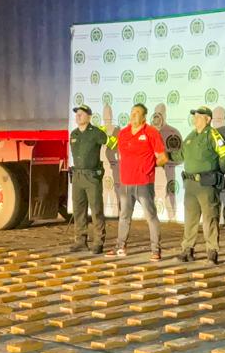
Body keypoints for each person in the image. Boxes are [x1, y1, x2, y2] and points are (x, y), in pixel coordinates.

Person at [172, 106, 225, 264]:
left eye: (198, 116)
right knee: (190, 218)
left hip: (206, 184)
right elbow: (180, 155)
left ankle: (212, 252)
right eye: (194, 116)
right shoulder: (191, 136)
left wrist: (224, 168)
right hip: (190, 184)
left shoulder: (212, 134)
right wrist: (163, 156)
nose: (195, 119)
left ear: (207, 119)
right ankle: (187, 250)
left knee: (210, 218)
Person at [108, 103, 167, 260]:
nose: (133, 115)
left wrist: (148, 166)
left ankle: (156, 250)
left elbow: (163, 157)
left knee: (150, 217)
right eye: (132, 112)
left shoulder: (151, 133)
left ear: (144, 117)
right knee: (124, 216)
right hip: (125, 183)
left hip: (143, 183)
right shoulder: (123, 133)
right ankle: (120, 247)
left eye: (137, 113)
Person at [68, 104, 112, 253]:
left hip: (91, 176)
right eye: (77, 114)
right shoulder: (73, 134)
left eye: (81, 113)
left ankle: (99, 241)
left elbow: (111, 143)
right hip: (78, 176)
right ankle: (80, 240)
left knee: (96, 209)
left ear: (89, 116)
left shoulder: (96, 133)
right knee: (79, 210)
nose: (78, 116)